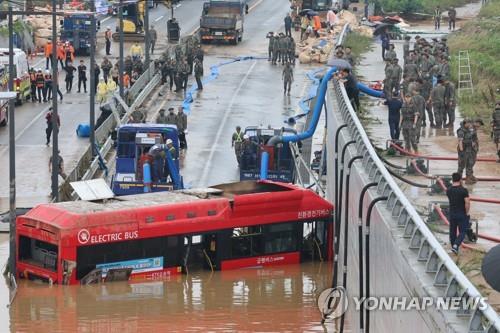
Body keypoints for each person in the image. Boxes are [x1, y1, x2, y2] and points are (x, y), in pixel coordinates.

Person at [446, 172, 471, 254]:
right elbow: (467, 202)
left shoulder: (448, 190)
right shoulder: (463, 190)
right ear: (460, 179)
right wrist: (466, 212)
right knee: (463, 231)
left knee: (452, 232)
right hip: (461, 213)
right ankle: (456, 245)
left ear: (452, 179)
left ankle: (454, 248)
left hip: (452, 214)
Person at [457, 119, 478, 184]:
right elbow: (460, 141)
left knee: (470, 164)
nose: (470, 125)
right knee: (461, 165)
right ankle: (458, 180)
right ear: (465, 123)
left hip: (469, 150)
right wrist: (461, 151)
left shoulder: (469, 130)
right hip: (463, 150)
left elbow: (473, 139)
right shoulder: (461, 131)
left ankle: (468, 179)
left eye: (470, 124)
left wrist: (473, 145)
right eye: (468, 124)